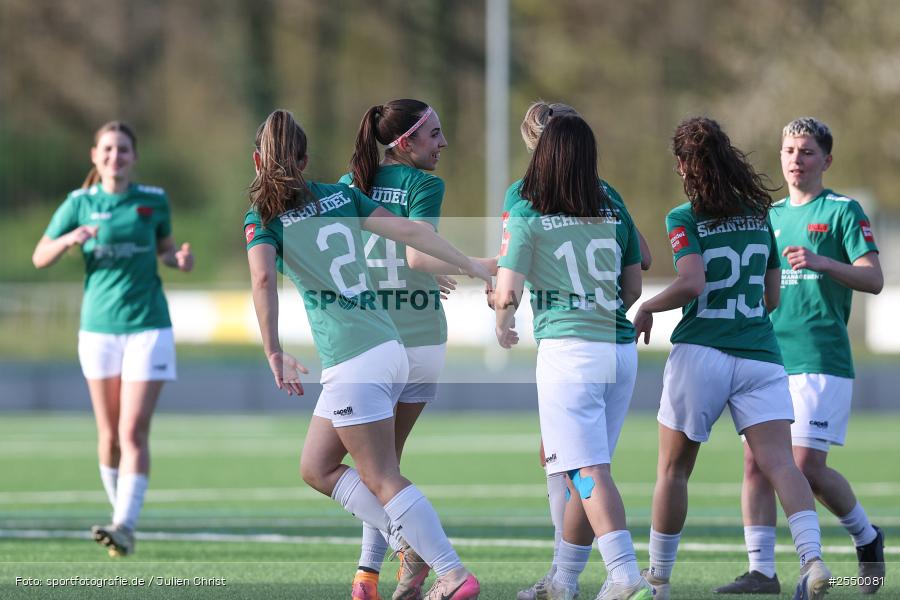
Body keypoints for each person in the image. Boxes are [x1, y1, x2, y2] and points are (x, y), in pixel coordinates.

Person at [244, 109, 488, 600]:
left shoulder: (263, 218)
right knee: (317, 466)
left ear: (256, 161)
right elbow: (414, 237)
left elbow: (263, 278)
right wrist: (471, 264)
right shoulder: (339, 195)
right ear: (306, 158)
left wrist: (273, 350)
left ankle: (452, 572)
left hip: (355, 357)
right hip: (387, 346)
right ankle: (405, 544)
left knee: (380, 475)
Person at [633, 117, 832, 600]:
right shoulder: (760, 212)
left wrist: (646, 307)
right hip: (761, 354)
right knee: (781, 465)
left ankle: (656, 581)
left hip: (702, 351)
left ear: (683, 164)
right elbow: (770, 296)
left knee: (674, 471)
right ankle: (813, 561)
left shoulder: (684, 216)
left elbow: (691, 283)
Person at [714, 117, 884, 595]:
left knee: (806, 467)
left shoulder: (842, 212)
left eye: (806, 152)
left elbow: (873, 279)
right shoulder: (769, 215)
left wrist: (824, 262)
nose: (796, 160)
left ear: (826, 160)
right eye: (789, 151)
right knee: (756, 463)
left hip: (821, 358)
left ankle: (866, 538)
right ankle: (761, 571)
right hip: (768, 358)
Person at [341, 99, 497, 599]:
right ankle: (381, 575)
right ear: (405, 143)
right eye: (434, 134)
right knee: (385, 467)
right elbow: (416, 252)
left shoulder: (352, 185)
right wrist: (476, 264)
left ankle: (377, 572)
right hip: (421, 336)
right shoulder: (423, 185)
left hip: (368, 338)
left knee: (373, 468)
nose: (443, 143)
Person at [494, 114, 652, 600]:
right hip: (620, 348)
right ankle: (563, 581)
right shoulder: (610, 200)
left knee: (586, 471)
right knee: (581, 465)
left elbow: (506, 292)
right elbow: (634, 283)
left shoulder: (527, 205)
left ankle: (625, 574)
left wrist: (503, 324)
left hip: (570, 352)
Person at [32, 121, 194, 556]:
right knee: (108, 436)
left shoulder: (153, 200)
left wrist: (178, 260)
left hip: (148, 327)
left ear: (134, 157)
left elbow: (165, 250)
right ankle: (120, 516)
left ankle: (123, 524)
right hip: (98, 331)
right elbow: (39, 256)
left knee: (132, 431)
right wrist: (70, 237)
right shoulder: (78, 203)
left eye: (122, 150)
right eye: (107, 150)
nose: (114, 157)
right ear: (94, 155)